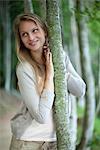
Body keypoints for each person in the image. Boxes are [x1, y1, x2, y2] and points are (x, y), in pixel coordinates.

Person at [9, 13, 86, 150]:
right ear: (20, 39)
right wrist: (49, 75)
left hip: (56, 141)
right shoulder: (24, 69)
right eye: (24, 34)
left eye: (35, 30)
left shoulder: (59, 56)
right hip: (29, 142)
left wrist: (59, 71)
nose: (31, 37)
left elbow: (80, 90)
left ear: (44, 30)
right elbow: (41, 116)